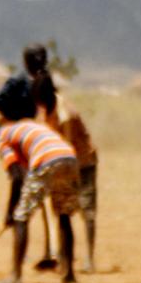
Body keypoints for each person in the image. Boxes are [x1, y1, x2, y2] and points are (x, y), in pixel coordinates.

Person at [0, 118, 81, 283]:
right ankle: (69, 274)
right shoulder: (23, 127)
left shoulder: (1, 137)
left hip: (46, 159)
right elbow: (26, 172)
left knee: (20, 217)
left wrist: (10, 212)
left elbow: (16, 178)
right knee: (64, 214)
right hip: (69, 157)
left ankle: (15, 277)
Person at [33, 74, 100, 272]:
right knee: (63, 211)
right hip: (63, 164)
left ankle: (89, 259)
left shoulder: (66, 115)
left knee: (87, 209)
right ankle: (63, 257)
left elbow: (67, 146)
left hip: (83, 162)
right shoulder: (43, 111)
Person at [0, 43, 47, 122]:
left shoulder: (19, 81)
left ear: (25, 63)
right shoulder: (19, 82)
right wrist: (16, 118)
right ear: (45, 62)